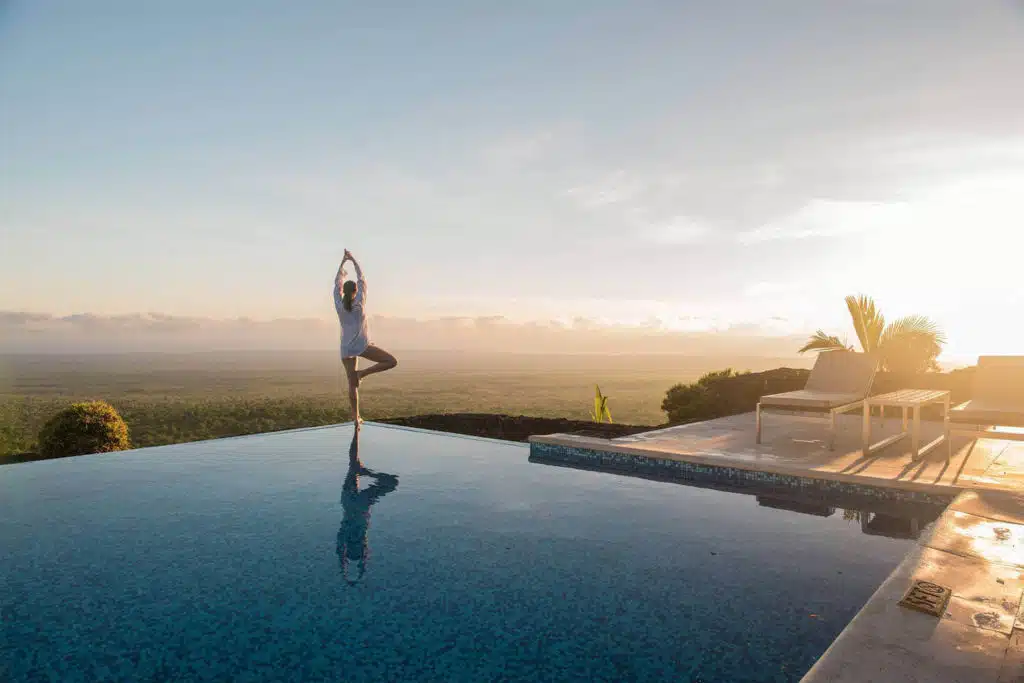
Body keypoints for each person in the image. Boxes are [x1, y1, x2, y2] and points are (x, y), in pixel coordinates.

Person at [334, 249, 398, 426]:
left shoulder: (339, 304)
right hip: (361, 346)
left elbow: (336, 283)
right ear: (355, 290)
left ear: (343, 292)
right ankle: (363, 373)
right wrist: (353, 259)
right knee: (391, 361)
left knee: (351, 383)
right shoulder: (359, 303)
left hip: (346, 349)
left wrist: (342, 263)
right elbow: (362, 279)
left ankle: (356, 418)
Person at [337, 427, 398, 585]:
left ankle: (365, 471)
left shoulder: (361, 540)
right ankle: (363, 468)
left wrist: (358, 573)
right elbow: (340, 555)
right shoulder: (343, 537)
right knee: (353, 465)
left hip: (362, 505)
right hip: (348, 503)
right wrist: (346, 573)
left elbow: (363, 555)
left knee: (392, 482)